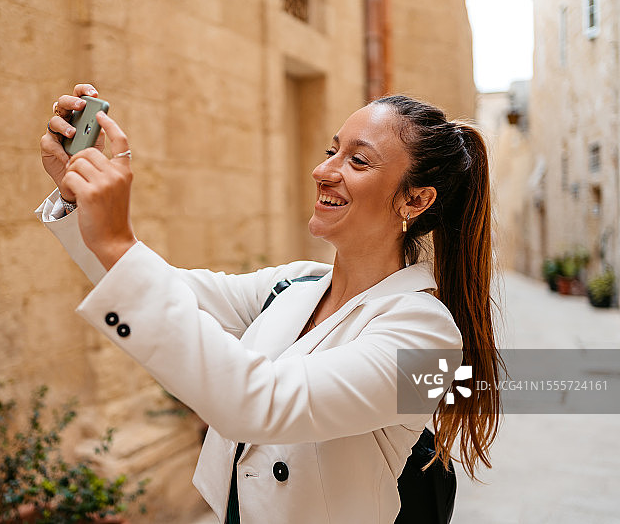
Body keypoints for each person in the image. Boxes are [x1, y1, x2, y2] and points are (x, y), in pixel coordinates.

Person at [35, 84, 502, 524]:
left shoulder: (429, 338)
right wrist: (82, 203)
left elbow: (264, 404)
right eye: (330, 151)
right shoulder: (293, 284)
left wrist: (119, 241)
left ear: (415, 199)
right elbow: (160, 292)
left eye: (357, 161)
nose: (324, 170)